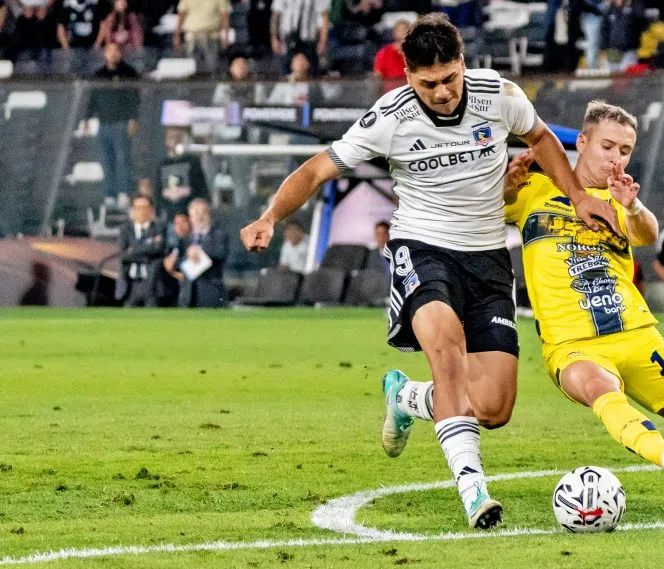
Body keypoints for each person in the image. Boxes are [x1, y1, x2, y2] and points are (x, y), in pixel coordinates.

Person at [239, 13, 618, 530]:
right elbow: (316, 169)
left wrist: (576, 196)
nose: (441, 93)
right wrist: (269, 216)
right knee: (445, 348)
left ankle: (405, 397)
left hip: (487, 257)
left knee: (492, 406)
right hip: (423, 247)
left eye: (449, 79)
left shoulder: (497, 93)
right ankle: (474, 492)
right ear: (408, 77)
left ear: (463, 64)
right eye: (427, 84)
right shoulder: (389, 117)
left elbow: (543, 138)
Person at [503, 101, 664, 512]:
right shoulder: (534, 189)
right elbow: (483, 211)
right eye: (607, 146)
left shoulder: (620, 198)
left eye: (625, 150)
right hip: (571, 344)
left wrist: (630, 204)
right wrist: (506, 188)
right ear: (582, 143)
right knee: (601, 389)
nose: (615, 158)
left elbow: (647, 234)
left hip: (635, 333)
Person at [88, 42, 139, 208]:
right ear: (105, 54)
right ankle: (109, 193)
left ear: (121, 53)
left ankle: (124, 192)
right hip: (104, 123)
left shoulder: (129, 73)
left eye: (116, 51)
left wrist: (132, 119)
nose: (113, 54)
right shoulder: (98, 74)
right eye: (109, 51)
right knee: (106, 160)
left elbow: (134, 98)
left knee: (123, 159)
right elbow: (92, 98)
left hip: (122, 123)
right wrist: (87, 118)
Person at [177, 198, 228, 308]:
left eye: (203, 212)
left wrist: (199, 253)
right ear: (190, 217)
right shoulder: (185, 239)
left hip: (211, 292)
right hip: (188, 295)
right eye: (196, 212)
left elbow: (220, 253)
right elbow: (179, 261)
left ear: (209, 214)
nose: (200, 217)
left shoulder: (219, 235)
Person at [118, 195, 166, 307]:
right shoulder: (125, 229)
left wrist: (133, 249)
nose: (141, 211)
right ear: (133, 210)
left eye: (145, 207)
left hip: (152, 284)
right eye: (138, 207)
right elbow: (123, 255)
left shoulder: (159, 228)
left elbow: (158, 250)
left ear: (151, 209)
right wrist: (148, 248)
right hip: (130, 285)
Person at [153, 127, 210, 217]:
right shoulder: (162, 164)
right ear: (165, 141)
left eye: (177, 138)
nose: (174, 141)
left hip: (190, 215)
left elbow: (201, 188)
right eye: (171, 137)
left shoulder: (192, 161)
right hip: (169, 216)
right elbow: (158, 192)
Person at [173, 0, 231, 73]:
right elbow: (181, 15)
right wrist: (177, 35)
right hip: (192, 37)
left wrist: (226, 37)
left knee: (212, 68)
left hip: (212, 37)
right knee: (191, 69)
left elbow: (225, 16)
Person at [159, 212, 192, 307]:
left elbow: (188, 274)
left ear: (190, 222)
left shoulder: (193, 244)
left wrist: (172, 272)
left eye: (183, 222)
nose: (180, 226)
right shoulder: (170, 246)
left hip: (188, 293)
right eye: (176, 223)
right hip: (171, 292)